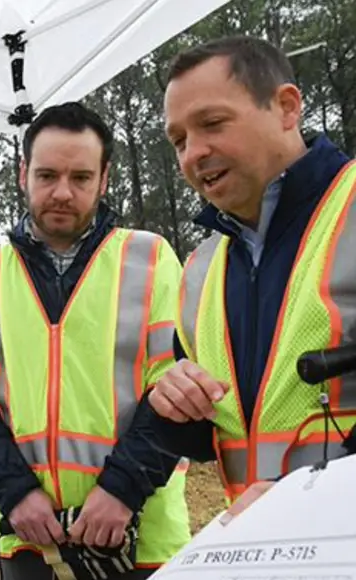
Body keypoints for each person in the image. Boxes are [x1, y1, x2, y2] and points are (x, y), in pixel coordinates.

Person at [0, 101, 191, 580]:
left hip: (140, 533)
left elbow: (176, 392)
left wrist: (121, 491)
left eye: (80, 177)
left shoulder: (150, 259)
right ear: (23, 174)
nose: (62, 193)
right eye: (47, 176)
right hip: (33, 542)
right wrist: (17, 496)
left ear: (105, 178)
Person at [124, 35, 356, 520]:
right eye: (179, 140)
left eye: (211, 124)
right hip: (272, 561)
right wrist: (172, 405)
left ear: (287, 107)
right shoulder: (201, 269)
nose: (193, 154)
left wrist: (315, 498)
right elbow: (214, 433)